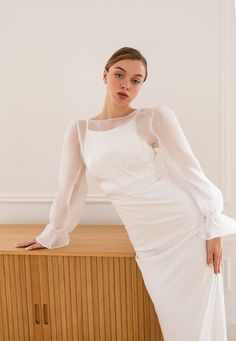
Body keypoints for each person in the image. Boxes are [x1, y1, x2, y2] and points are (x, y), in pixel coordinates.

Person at [15, 46, 236, 340]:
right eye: (120, 75)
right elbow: (68, 189)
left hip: (184, 227)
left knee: (196, 318)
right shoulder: (80, 130)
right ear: (104, 75)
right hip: (146, 239)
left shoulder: (153, 117)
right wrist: (52, 233)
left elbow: (190, 171)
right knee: (173, 319)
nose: (126, 85)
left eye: (136, 80)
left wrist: (212, 226)